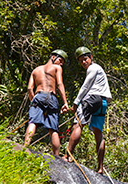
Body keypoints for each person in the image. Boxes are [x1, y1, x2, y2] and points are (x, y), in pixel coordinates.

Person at [62, 46, 112, 174]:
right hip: (103, 102)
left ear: (91, 58)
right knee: (98, 133)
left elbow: (85, 86)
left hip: (92, 99)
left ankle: (68, 156)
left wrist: (75, 103)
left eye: (85, 59)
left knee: (77, 125)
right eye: (81, 61)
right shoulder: (99, 69)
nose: (84, 62)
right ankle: (100, 168)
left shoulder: (93, 68)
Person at [23, 49, 69, 156]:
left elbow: (30, 88)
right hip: (51, 96)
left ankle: (25, 147)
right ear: (53, 57)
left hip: (38, 96)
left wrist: (34, 102)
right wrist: (65, 102)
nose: (61, 64)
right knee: (53, 129)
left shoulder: (36, 70)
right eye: (60, 60)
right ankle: (56, 156)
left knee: (32, 122)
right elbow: (60, 84)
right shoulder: (57, 68)